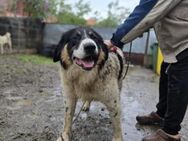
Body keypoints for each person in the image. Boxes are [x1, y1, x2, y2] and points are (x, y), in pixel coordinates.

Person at [105, 0, 188, 141]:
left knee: (178, 78)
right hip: (177, 41)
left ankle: (170, 133)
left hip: (184, 42)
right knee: (166, 69)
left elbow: (145, 12)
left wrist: (115, 40)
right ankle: (161, 114)